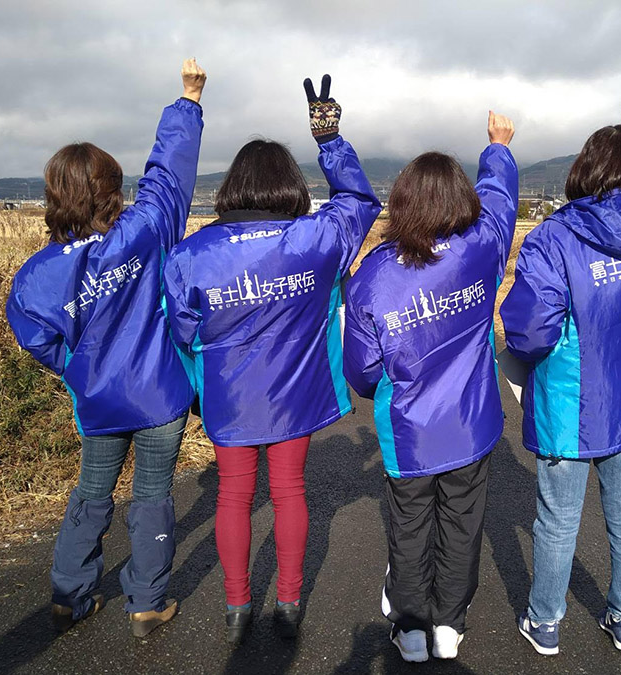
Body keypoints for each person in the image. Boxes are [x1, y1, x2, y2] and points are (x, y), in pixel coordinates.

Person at [162, 74, 381, 644]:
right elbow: (358, 200)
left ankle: (237, 609)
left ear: (233, 186)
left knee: (234, 495)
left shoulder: (192, 255)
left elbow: (183, 330)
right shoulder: (315, 238)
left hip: (229, 397)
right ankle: (287, 603)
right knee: (290, 492)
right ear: (289, 186)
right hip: (296, 393)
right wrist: (328, 135)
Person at [500, 67, 621, 656]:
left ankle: (545, 623)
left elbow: (530, 331)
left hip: (573, 402)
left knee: (558, 521)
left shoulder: (555, 238)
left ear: (585, 168)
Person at [5, 59, 206, 637]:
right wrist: (187, 100)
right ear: (113, 191)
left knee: (93, 492)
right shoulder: (141, 233)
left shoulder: (37, 276)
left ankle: (70, 594)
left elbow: (36, 336)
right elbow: (169, 176)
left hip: (99, 402)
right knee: (151, 496)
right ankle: (146, 602)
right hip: (159, 394)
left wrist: (79, 367)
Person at [343, 112, 518, 662]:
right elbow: (501, 199)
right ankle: (449, 625)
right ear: (460, 202)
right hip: (470, 422)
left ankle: (412, 629)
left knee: (410, 525)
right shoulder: (482, 247)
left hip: (408, 431)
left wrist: (393, 387)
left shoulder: (373, 276)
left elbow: (362, 371)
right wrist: (498, 148)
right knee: (463, 524)